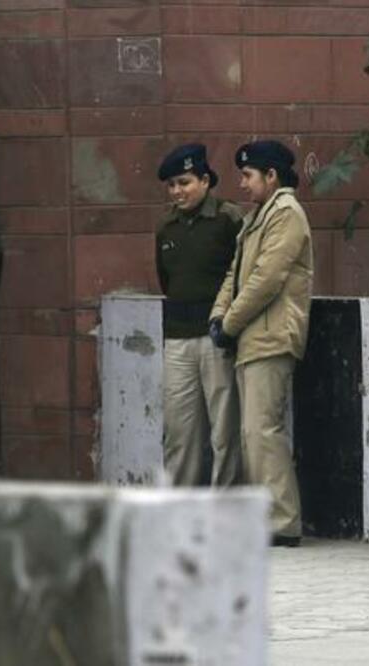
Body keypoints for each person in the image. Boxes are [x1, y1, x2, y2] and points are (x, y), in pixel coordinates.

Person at [209, 140, 313, 547]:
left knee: (262, 431)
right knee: (252, 433)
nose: (242, 183)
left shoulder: (286, 213)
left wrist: (229, 323)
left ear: (271, 176)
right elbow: (234, 275)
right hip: (252, 337)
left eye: (249, 175)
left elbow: (266, 279)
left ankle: (283, 521)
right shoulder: (259, 217)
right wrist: (219, 316)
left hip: (270, 336)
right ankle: (267, 517)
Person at [155, 143, 244, 487]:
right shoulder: (166, 228)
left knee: (225, 431)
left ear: (205, 181)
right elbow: (167, 280)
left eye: (185, 182)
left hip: (217, 338)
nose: (177, 191)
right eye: (172, 185)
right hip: (177, 340)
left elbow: (242, 275)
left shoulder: (229, 218)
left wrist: (226, 324)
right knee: (179, 432)